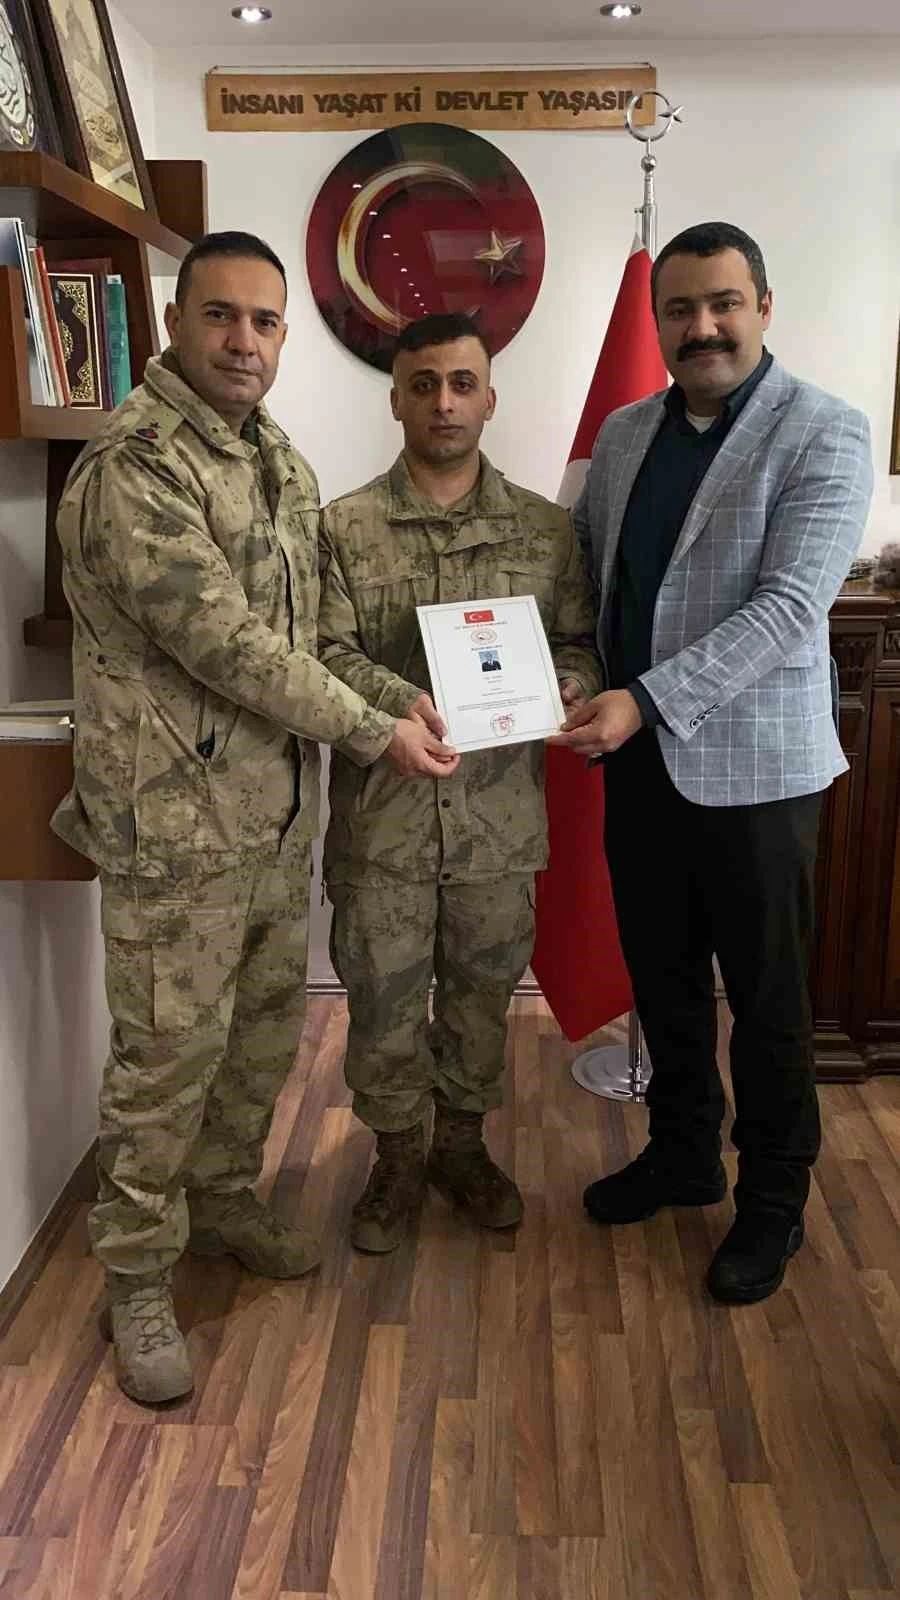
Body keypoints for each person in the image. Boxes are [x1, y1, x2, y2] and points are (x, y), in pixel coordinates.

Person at [52, 231, 454, 1404]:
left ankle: (224, 1199)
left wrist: (393, 696)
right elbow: (227, 646)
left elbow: (309, 638)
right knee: (164, 1062)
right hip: (173, 834)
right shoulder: (135, 467)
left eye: (265, 321)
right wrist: (372, 731)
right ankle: (136, 1277)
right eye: (221, 315)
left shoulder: (275, 457)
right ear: (176, 321)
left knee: (263, 1036)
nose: (244, 341)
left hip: (274, 819)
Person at [550, 221, 874, 1304]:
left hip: (758, 776)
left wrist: (643, 701)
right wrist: (563, 671)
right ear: (657, 321)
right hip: (637, 765)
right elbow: (587, 579)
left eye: (724, 303)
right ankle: (684, 1151)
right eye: (680, 309)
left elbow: (787, 610)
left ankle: (773, 1199)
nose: (702, 326)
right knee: (666, 979)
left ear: (763, 307)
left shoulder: (824, 431)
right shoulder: (625, 434)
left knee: (769, 1000)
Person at [318, 312, 601, 1253]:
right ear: (396, 399)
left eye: (462, 383)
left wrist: (570, 685)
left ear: (490, 398)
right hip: (386, 826)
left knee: (481, 1000)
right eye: (424, 383)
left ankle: (462, 1148)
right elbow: (322, 653)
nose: (444, 401)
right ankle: (398, 1157)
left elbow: (579, 642)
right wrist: (398, 699)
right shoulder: (342, 529)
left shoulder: (546, 532)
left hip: (497, 826)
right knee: (383, 1005)